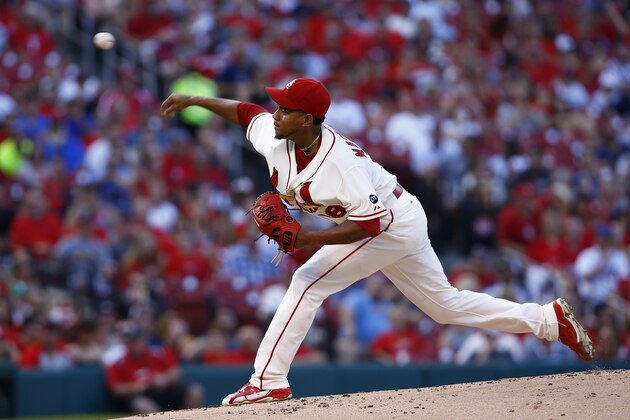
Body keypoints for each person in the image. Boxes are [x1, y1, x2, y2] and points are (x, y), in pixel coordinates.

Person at [160, 77, 594, 406]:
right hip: (397, 216)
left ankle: (268, 381)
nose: (275, 113)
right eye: (278, 105)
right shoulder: (277, 136)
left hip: (392, 223)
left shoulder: (339, 165)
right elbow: (244, 111)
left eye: (285, 108)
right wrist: (195, 99)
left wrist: (306, 238)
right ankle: (547, 320)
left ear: (307, 119)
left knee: (308, 282)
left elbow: (374, 224)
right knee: (444, 305)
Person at [105, 324, 204, 414]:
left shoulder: (156, 353)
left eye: (138, 340)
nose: (136, 345)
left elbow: (176, 371)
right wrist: (135, 387)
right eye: (132, 342)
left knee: (195, 391)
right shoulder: (118, 361)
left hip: (162, 391)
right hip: (140, 396)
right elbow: (115, 389)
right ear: (127, 344)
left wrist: (164, 379)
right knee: (142, 405)